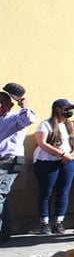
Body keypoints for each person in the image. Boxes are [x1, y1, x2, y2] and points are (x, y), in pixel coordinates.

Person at [33, 99, 74, 235]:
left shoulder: (73, 126)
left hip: (69, 162)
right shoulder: (46, 124)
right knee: (46, 191)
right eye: (66, 108)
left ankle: (58, 222)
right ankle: (44, 223)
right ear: (57, 109)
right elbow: (42, 143)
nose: (69, 111)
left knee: (64, 191)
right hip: (48, 162)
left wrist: (73, 154)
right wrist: (61, 154)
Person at [0, 84, 36, 241]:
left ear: (9, 105)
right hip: (2, 161)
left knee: (0, 195)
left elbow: (29, 118)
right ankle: (4, 232)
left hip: (11, 161)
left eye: (2, 102)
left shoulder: (16, 118)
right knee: (2, 197)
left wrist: (24, 104)